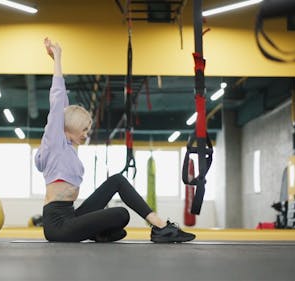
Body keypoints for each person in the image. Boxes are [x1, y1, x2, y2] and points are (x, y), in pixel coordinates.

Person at [35, 37, 196, 243]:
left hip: (71, 215)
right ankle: (151, 228)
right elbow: (57, 101)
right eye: (83, 129)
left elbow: (63, 108)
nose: (86, 133)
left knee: (117, 182)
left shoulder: (67, 147)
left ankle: (159, 225)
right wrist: (57, 57)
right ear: (68, 129)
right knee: (121, 214)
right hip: (58, 226)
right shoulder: (54, 143)